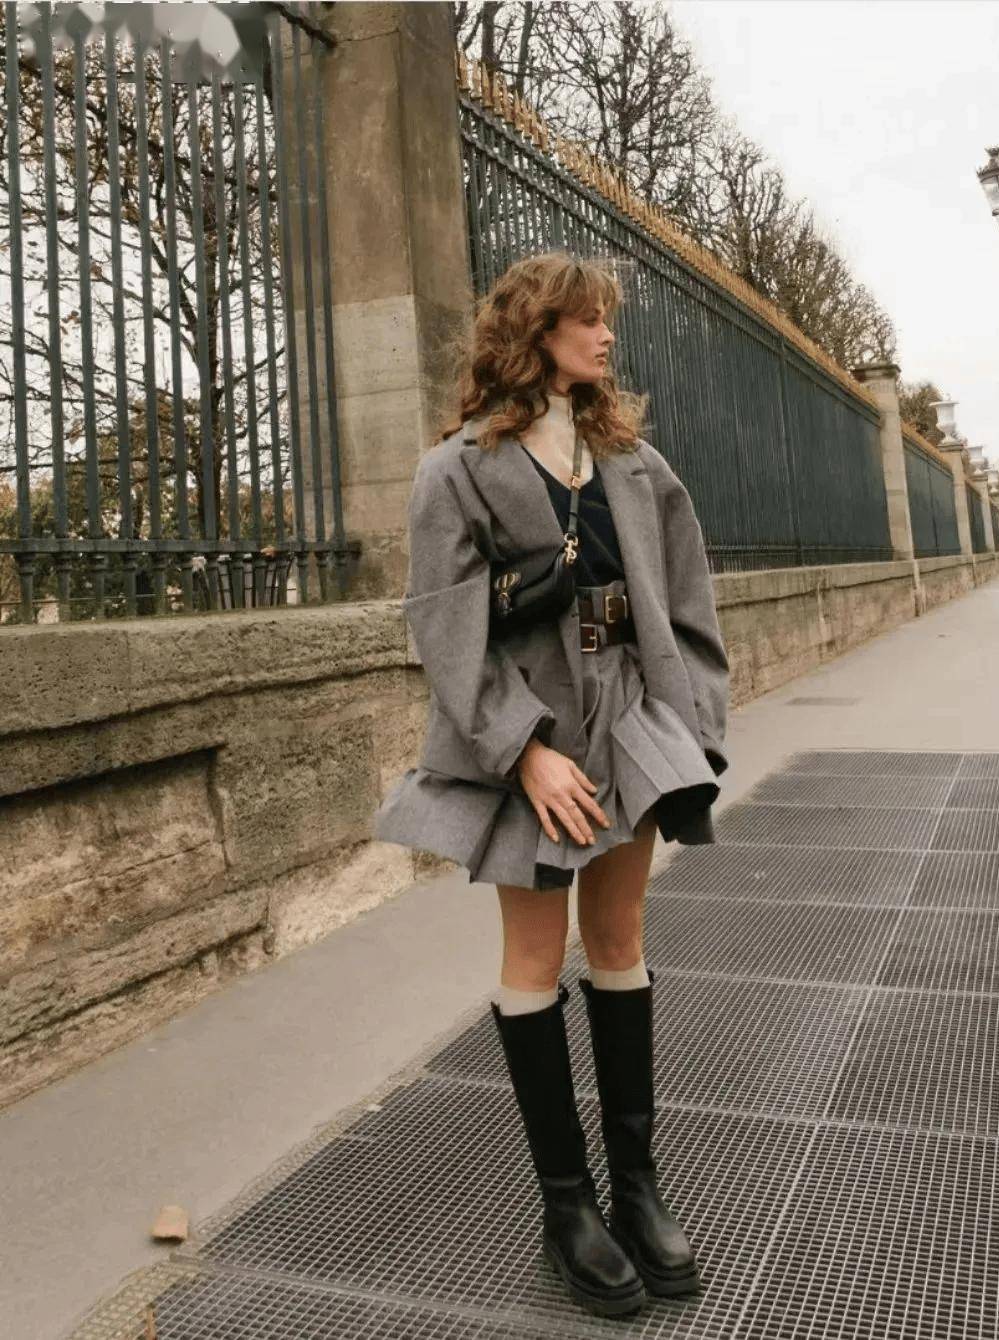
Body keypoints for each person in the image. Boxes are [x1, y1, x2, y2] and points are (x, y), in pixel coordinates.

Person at [373, 252, 730, 1317]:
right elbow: (444, 626)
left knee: (619, 938)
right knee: (534, 954)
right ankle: (567, 1206)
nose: (606, 335)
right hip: (527, 726)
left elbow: (690, 599)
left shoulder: (636, 464)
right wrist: (522, 749)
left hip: (630, 717)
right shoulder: (455, 472)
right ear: (535, 331)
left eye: (606, 319)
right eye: (587, 318)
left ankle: (638, 1187)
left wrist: (689, 723)